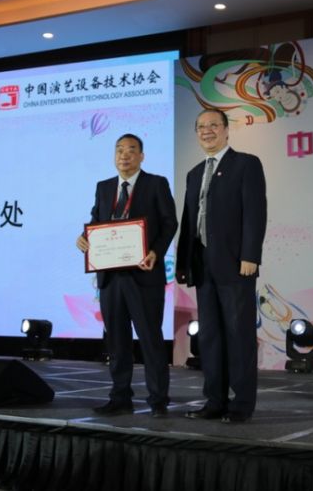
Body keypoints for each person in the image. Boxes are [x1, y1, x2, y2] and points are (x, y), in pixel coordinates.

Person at [76, 133, 177, 417]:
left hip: (144, 276)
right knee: (117, 343)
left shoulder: (156, 183)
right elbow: (97, 222)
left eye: (131, 150)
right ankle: (120, 398)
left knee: (150, 340)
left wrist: (156, 251)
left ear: (141, 156)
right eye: (119, 150)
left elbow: (170, 222)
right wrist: (84, 238)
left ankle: (158, 400)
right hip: (111, 278)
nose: (124, 155)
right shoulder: (104, 187)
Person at [176, 109, 267, 423]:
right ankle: (214, 401)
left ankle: (242, 404)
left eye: (214, 125)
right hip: (203, 266)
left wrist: (250, 255)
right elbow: (189, 220)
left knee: (239, 336)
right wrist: (184, 262)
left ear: (227, 130)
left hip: (235, 264)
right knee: (210, 337)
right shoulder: (194, 173)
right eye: (201, 126)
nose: (207, 131)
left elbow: (255, 212)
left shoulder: (245, 164)